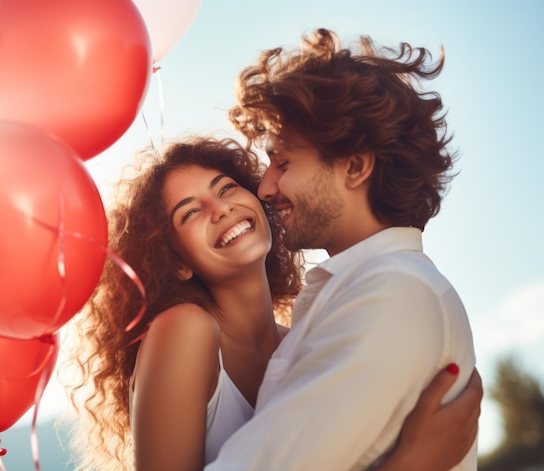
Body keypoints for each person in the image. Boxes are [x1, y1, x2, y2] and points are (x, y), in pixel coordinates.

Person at [64, 136, 481, 471]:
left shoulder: (304, 338)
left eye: (226, 188)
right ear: (175, 264)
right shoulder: (184, 329)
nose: (221, 208)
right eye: (190, 213)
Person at [202, 28, 478, 470]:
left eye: (284, 162)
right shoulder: (361, 290)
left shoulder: (394, 295)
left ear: (355, 166)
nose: (265, 187)